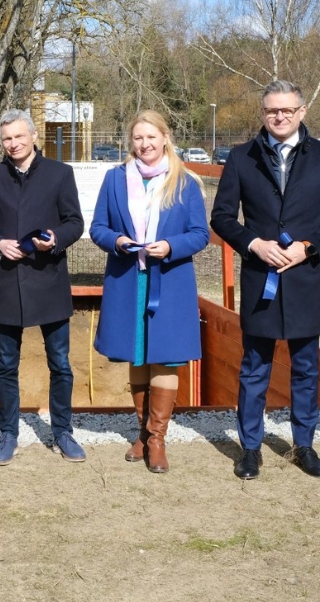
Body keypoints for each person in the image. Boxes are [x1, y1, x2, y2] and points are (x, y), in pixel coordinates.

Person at [210, 80, 320, 480]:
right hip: (261, 280)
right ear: (262, 113)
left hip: (306, 279)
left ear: (301, 112)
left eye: (287, 110)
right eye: (272, 110)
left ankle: (304, 445)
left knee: (306, 368)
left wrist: (308, 247)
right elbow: (221, 217)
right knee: (254, 366)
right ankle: (251, 448)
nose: (279, 117)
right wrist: (253, 243)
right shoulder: (241, 158)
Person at [90, 110, 209, 473]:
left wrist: (171, 246)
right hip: (128, 280)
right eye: (138, 138)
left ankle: (157, 439)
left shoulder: (185, 182)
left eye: (151, 137)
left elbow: (200, 234)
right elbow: (98, 227)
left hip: (169, 280)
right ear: (132, 142)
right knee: (137, 354)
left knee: (166, 355)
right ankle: (142, 432)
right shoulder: (114, 180)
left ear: (165, 137)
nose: (145, 144)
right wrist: (118, 240)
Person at [0, 109, 85, 466]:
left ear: (34, 136)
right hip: (8, 281)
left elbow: (75, 222)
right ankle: (8, 434)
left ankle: (63, 432)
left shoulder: (60, 174)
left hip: (49, 278)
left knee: (60, 363)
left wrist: (57, 239)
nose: (14, 143)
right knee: (6, 364)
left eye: (20, 136)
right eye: (7, 138)